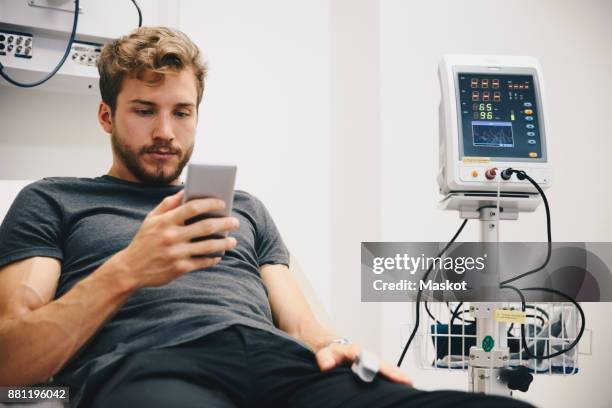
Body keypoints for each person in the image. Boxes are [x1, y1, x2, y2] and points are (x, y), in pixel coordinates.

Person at [0, 26, 534, 408]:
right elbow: (12, 363)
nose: (165, 130)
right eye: (145, 110)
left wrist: (333, 346)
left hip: (275, 365)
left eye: (181, 112)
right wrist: (129, 269)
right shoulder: (52, 201)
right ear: (106, 115)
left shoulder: (244, 207)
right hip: (148, 365)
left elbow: (300, 322)